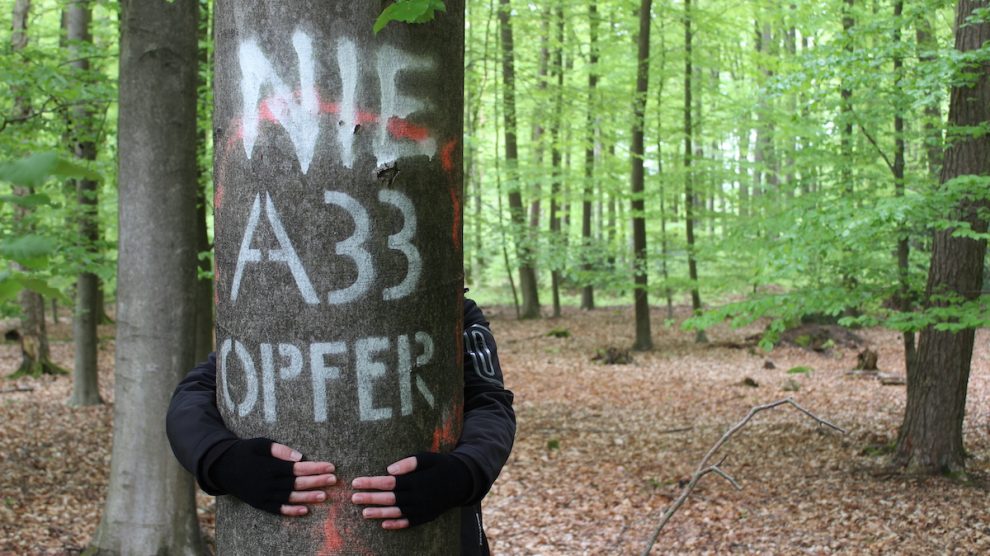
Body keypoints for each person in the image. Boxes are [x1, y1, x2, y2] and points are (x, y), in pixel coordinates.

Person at [166, 297, 515, 555]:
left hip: (446, 537)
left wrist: (463, 474)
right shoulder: (273, 310)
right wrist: (222, 460)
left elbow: (490, 401)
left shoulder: (453, 311)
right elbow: (192, 394)